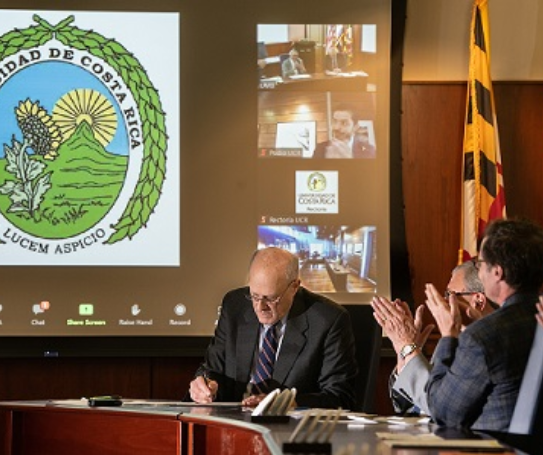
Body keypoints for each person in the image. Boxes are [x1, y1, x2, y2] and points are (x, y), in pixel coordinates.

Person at [188, 247, 358, 409]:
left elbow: (339, 396)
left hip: (291, 429)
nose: (260, 307)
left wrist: (287, 403)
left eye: (271, 298)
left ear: (294, 287)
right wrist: (206, 385)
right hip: (234, 421)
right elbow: (212, 369)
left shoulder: (327, 320)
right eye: (254, 296)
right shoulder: (235, 305)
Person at [425, 218, 543, 431]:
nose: (479, 272)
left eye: (480, 265)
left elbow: (444, 412)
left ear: (497, 272)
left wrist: (447, 337)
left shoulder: (484, 336)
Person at [372, 260, 494, 415]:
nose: (444, 302)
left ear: (478, 300)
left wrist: (408, 347)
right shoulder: (454, 338)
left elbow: (440, 406)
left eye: (450, 294)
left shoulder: (484, 346)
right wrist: (405, 358)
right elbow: (410, 406)